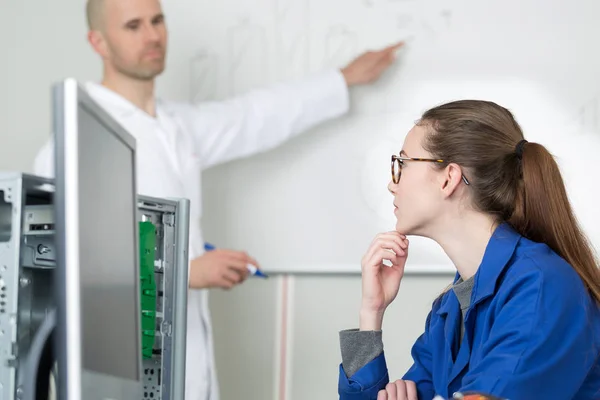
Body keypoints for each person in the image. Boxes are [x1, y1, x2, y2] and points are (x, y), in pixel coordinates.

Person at [32, 0, 402, 399]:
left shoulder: (174, 126)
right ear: (98, 41)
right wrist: (188, 272)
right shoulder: (76, 139)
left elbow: (253, 117)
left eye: (157, 21)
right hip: (123, 373)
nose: (152, 35)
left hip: (189, 368)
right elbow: (66, 266)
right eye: (133, 26)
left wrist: (342, 78)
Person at [337, 100, 600, 400]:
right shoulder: (449, 310)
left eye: (403, 163)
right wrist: (371, 313)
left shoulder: (542, 286)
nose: (391, 185)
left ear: (449, 178)